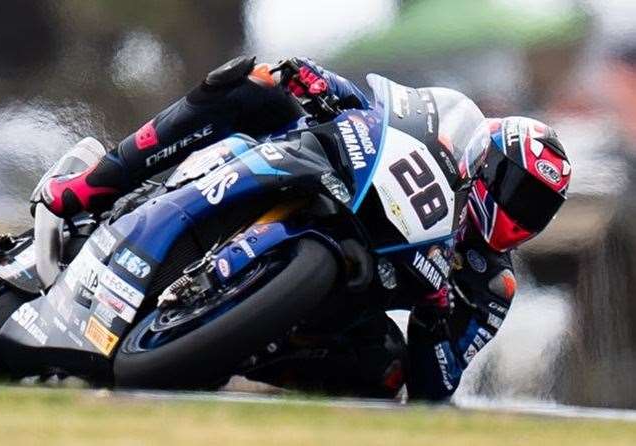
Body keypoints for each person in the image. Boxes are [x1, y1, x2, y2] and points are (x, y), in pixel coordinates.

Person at [35, 56, 571, 400]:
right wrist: (315, 79)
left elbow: (436, 387)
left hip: (336, 303)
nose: (522, 214)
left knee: (384, 372)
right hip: (319, 171)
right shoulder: (441, 136)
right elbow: (377, 108)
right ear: (488, 165)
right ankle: (89, 186)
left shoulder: (488, 285)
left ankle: (225, 351)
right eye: (518, 191)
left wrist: (435, 313)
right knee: (254, 81)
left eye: (537, 210)